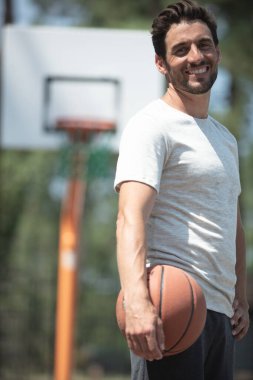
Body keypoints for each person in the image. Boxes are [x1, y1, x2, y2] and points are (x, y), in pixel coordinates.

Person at [114, 0, 249, 379]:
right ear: (161, 64)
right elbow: (130, 217)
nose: (196, 56)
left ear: (217, 52)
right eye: (180, 49)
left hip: (220, 315)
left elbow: (231, 220)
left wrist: (240, 294)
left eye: (204, 45)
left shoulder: (226, 139)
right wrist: (139, 302)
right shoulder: (151, 126)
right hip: (169, 310)